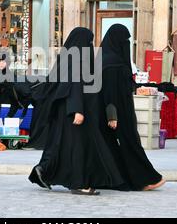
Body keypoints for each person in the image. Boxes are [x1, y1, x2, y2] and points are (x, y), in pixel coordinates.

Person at [28, 27, 125, 195]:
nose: (90, 45)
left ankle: (43, 170)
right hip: (74, 112)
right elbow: (75, 86)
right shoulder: (78, 60)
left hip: (64, 111)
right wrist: (77, 110)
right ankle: (79, 183)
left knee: (62, 145)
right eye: (89, 42)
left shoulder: (67, 58)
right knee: (78, 148)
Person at [99, 24, 165, 191]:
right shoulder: (112, 64)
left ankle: (124, 179)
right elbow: (109, 93)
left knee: (118, 147)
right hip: (117, 114)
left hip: (118, 112)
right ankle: (145, 179)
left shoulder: (107, 60)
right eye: (125, 41)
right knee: (129, 145)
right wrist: (112, 116)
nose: (127, 45)